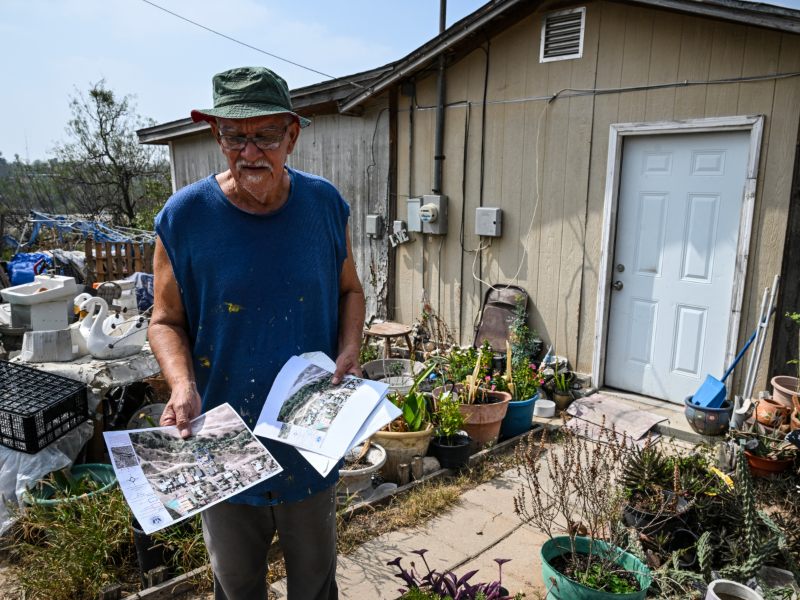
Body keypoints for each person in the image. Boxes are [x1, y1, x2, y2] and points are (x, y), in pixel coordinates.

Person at [149, 66, 365, 600]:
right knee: (237, 585)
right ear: (217, 137)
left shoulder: (324, 206)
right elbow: (164, 321)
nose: (249, 152)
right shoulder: (184, 218)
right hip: (223, 439)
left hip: (309, 440)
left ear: (291, 135)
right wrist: (181, 384)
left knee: (314, 584)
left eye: (265, 135)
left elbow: (350, 291)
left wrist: (350, 347)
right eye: (233, 136)